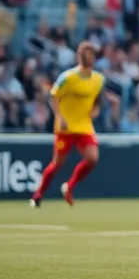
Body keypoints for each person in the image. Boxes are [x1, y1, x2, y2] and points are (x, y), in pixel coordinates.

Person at [30, 42, 114, 207]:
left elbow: (98, 98)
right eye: (86, 54)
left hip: (84, 125)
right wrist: (59, 117)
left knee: (92, 158)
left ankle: (69, 187)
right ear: (80, 57)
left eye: (92, 55)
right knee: (57, 164)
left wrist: (96, 109)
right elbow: (53, 96)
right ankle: (37, 195)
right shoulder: (68, 78)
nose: (90, 58)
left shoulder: (99, 79)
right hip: (66, 126)